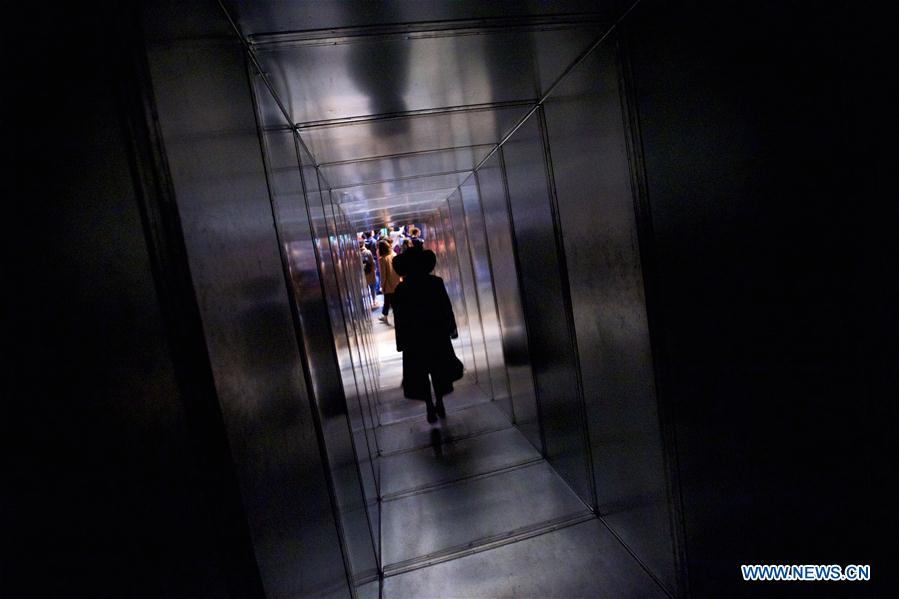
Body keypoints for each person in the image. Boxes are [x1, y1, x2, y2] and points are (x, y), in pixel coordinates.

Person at [392, 247, 463, 423]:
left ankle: (429, 405)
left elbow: (400, 318)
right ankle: (439, 401)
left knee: (419, 373)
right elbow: (446, 307)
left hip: (414, 338)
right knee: (439, 370)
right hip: (436, 333)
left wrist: (401, 341)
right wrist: (451, 329)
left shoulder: (401, 289)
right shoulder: (435, 283)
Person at [377, 239, 400, 325]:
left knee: (388, 300)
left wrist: (382, 286)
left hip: (389, 285)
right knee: (396, 302)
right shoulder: (394, 254)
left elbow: (383, 275)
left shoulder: (382, 259)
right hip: (397, 282)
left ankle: (386, 317)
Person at [360, 241, 379, 308]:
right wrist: (374, 270)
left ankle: (368, 302)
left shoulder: (357, 253)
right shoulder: (368, 252)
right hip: (370, 273)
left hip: (362, 274)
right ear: (364, 244)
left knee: (365, 289)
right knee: (372, 288)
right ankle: (374, 301)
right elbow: (372, 262)